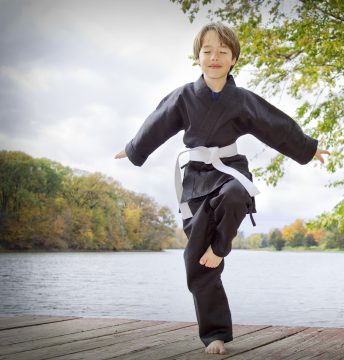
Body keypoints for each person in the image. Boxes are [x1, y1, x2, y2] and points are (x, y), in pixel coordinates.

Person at [115, 22, 330, 355]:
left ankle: (221, 247)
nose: (214, 57)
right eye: (207, 51)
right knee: (196, 262)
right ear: (197, 57)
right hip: (196, 182)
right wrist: (134, 149)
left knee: (234, 195)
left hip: (231, 172)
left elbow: (274, 124)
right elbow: (157, 123)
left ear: (233, 59)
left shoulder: (241, 100)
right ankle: (215, 335)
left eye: (223, 52)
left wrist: (306, 147)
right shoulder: (184, 97)